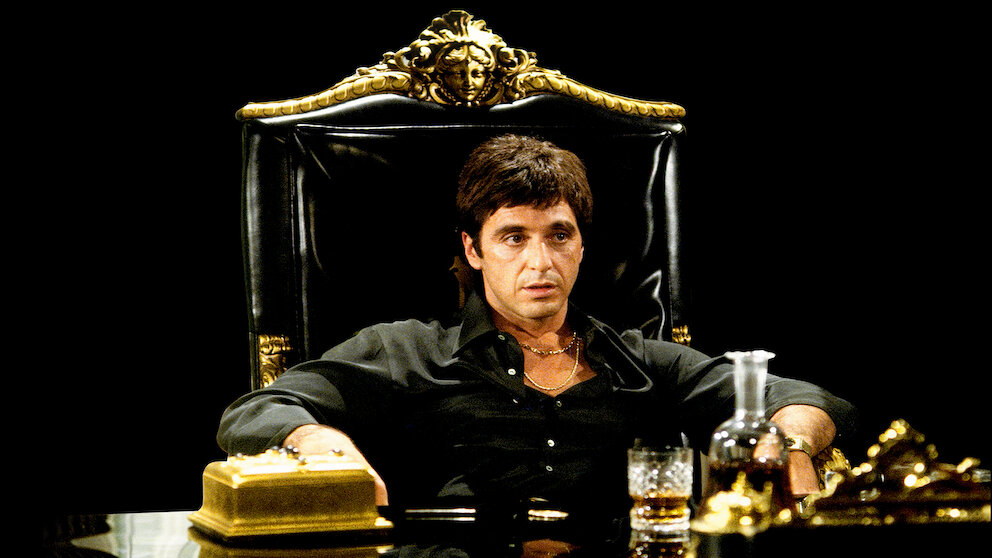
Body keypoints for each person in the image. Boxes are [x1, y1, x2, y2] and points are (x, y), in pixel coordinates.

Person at [217, 134, 856, 520]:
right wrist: (320, 442)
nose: (540, 263)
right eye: (513, 237)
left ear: (582, 246)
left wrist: (791, 444)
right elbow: (257, 409)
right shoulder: (406, 349)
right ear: (473, 249)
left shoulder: (639, 359)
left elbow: (804, 398)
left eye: (559, 235)